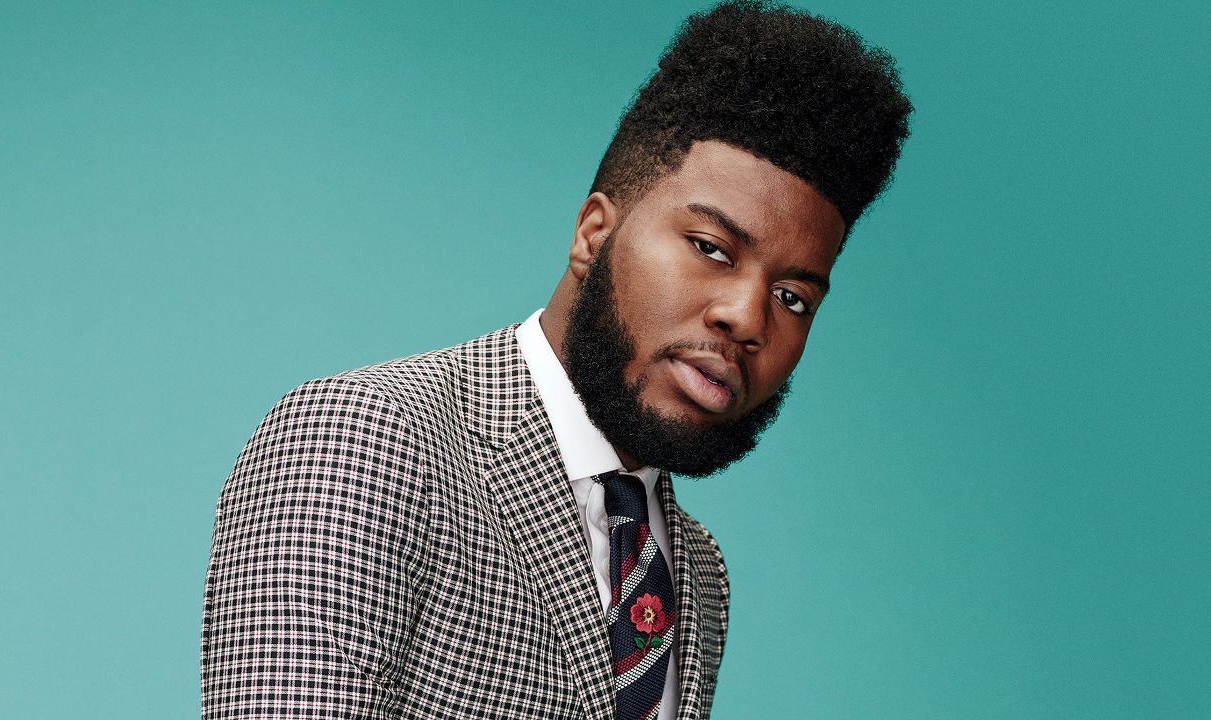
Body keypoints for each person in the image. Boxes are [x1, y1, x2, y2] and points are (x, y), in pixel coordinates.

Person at [200, 2, 912, 718]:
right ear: (593, 234)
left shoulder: (696, 570)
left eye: (792, 297)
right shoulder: (359, 442)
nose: (747, 318)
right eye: (711, 249)